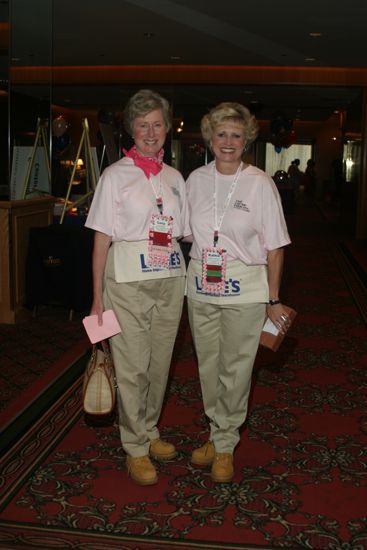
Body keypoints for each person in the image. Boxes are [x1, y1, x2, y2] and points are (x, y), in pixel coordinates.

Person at [85, 89, 190, 486]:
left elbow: (186, 233)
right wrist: (97, 297)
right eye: (142, 125)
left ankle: (148, 428)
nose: (150, 132)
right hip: (126, 278)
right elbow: (100, 240)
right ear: (131, 129)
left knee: (159, 363)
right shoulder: (115, 176)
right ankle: (134, 446)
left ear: (167, 128)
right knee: (132, 367)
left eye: (157, 124)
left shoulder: (175, 178)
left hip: (169, 279)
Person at [186, 102, 291, 483]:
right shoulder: (195, 179)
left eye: (236, 135)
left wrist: (273, 297)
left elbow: (276, 245)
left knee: (236, 368)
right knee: (208, 366)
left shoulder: (260, 182)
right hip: (200, 286)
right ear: (209, 139)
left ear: (246, 139)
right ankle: (217, 433)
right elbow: (184, 230)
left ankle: (226, 444)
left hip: (246, 287)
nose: (228, 142)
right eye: (221, 134)